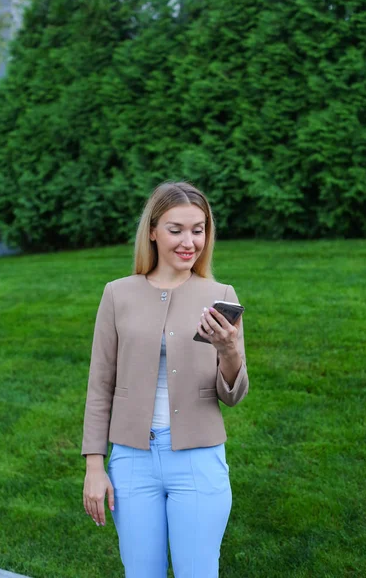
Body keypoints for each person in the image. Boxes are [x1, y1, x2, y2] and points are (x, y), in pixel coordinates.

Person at [81, 181, 249, 578]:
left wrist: (230, 350)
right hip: (131, 462)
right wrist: (94, 465)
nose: (189, 241)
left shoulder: (220, 293)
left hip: (198, 460)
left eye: (199, 229)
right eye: (176, 230)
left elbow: (234, 394)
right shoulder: (117, 294)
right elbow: (100, 383)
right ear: (153, 231)